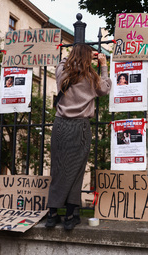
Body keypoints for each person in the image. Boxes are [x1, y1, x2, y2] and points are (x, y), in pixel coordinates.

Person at [46, 44, 111, 230]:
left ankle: (52, 215)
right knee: (76, 171)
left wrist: (75, 55)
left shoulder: (62, 72)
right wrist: (103, 65)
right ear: (88, 58)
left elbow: (62, 61)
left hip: (60, 126)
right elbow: (105, 89)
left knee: (58, 169)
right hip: (80, 127)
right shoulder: (91, 77)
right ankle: (70, 216)